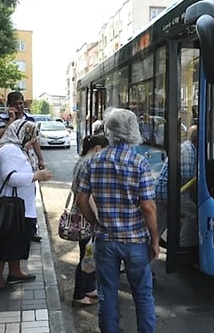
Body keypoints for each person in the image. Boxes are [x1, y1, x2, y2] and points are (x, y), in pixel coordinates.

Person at [77, 108, 159, 333]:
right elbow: (148, 206)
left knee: (107, 296)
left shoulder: (93, 162)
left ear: (109, 130)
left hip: (105, 240)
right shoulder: (139, 163)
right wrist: (154, 239)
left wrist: (95, 223)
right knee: (142, 296)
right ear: (132, 130)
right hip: (135, 241)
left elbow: (81, 199)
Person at [0, 119, 53, 292]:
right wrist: (36, 175)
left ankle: (15, 272)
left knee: (13, 242)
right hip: (7, 207)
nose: (33, 143)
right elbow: (11, 177)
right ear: (22, 134)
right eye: (31, 139)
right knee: (2, 244)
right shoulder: (10, 150)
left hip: (16, 207)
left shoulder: (16, 149)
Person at [0, 91, 44, 242]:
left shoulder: (29, 119)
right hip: (13, 156)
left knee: (30, 192)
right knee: (14, 191)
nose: (20, 106)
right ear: (9, 105)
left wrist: (40, 159)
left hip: (27, 159)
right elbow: (2, 136)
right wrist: (11, 119)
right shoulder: (2, 118)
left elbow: (34, 139)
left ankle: (31, 227)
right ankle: (12, 223)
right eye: (16, 104)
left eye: (21, 103)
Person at [70, 134, 109, 306]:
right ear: (98, 149)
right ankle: (79, 294)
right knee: (86, 255)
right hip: (85, 216)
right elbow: (88, 195)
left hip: (80, 213)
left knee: (88, 253)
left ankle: (88, 288)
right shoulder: (89, 164)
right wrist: (97, 218)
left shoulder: (82, 160)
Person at [154, 125, 198, 247]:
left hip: (163, 191)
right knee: (193, 213)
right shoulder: (188, 152)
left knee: (157, 227)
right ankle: (183, 246)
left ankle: (145, 251)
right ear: (197, 139)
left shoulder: (187, 148)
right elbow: (187, 182)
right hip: (170, 192)